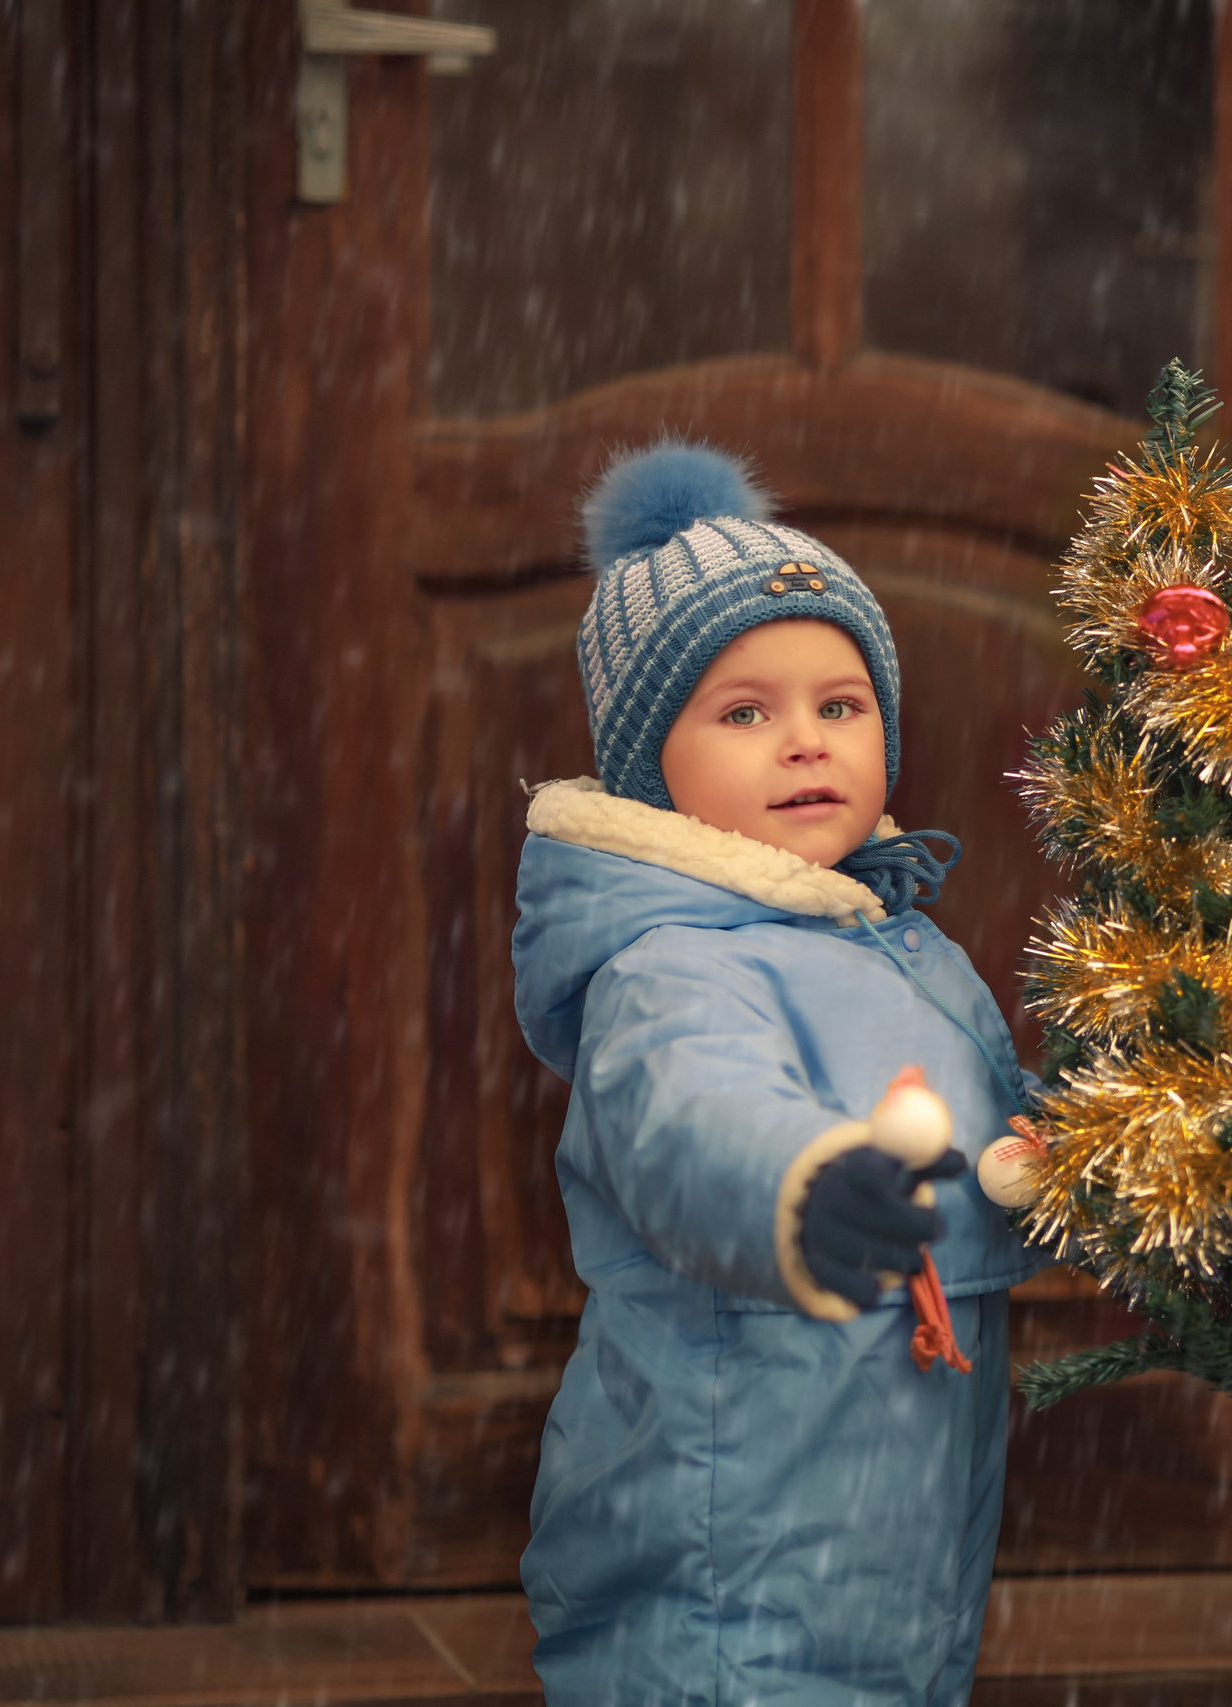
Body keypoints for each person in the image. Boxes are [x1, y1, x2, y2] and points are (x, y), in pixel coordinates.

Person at [511, 443, 1043, 1706]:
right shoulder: (672, 967)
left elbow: (993, 1134)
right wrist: (802, 1189)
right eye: (743, 712)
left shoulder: (905, 943)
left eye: (840, 706)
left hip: (896, 1525)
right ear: (653, 767)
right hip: (726, 1531)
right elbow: (693, 1124)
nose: (803, 742)